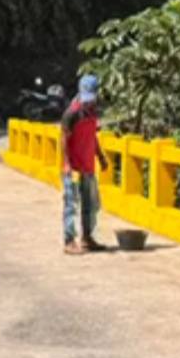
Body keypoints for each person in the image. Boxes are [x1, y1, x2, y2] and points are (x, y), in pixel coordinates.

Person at [60, 74, 109, 255]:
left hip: (88, 165)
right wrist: (65, 163)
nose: (89, 102)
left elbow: (91, 136)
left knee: (90, 204)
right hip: (72, 166)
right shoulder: (72, 112)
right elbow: (63, 137)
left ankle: (87, 238)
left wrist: (101, 157)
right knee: (71, 204)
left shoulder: (94, 111)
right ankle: (69, 240)